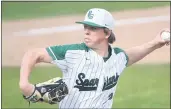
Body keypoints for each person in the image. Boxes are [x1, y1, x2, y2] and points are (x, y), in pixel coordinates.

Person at [19, 8, 170, 108]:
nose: (86, 32)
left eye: (93, 28)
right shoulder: (73, 53)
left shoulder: (117, 57)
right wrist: (24, 84)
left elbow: (130, 56)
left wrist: (156, 43)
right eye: (85, 27)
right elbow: (32, 54)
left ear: (107, 33)